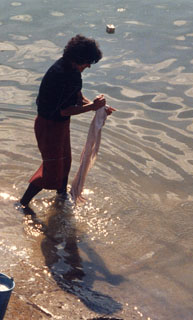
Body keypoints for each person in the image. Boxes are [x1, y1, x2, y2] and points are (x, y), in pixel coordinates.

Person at [20, 34, 115, 206]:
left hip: (60, 125)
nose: (88, 66)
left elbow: (77, 97)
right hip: (49, 126)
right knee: (52, 171)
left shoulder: (69, 68)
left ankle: (62, 198)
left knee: (65, 164)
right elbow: (64, 111)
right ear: (80, 59)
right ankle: (23, 203)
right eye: (88, 62)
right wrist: (92, 107)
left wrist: (98, 108)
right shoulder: (63, 75)